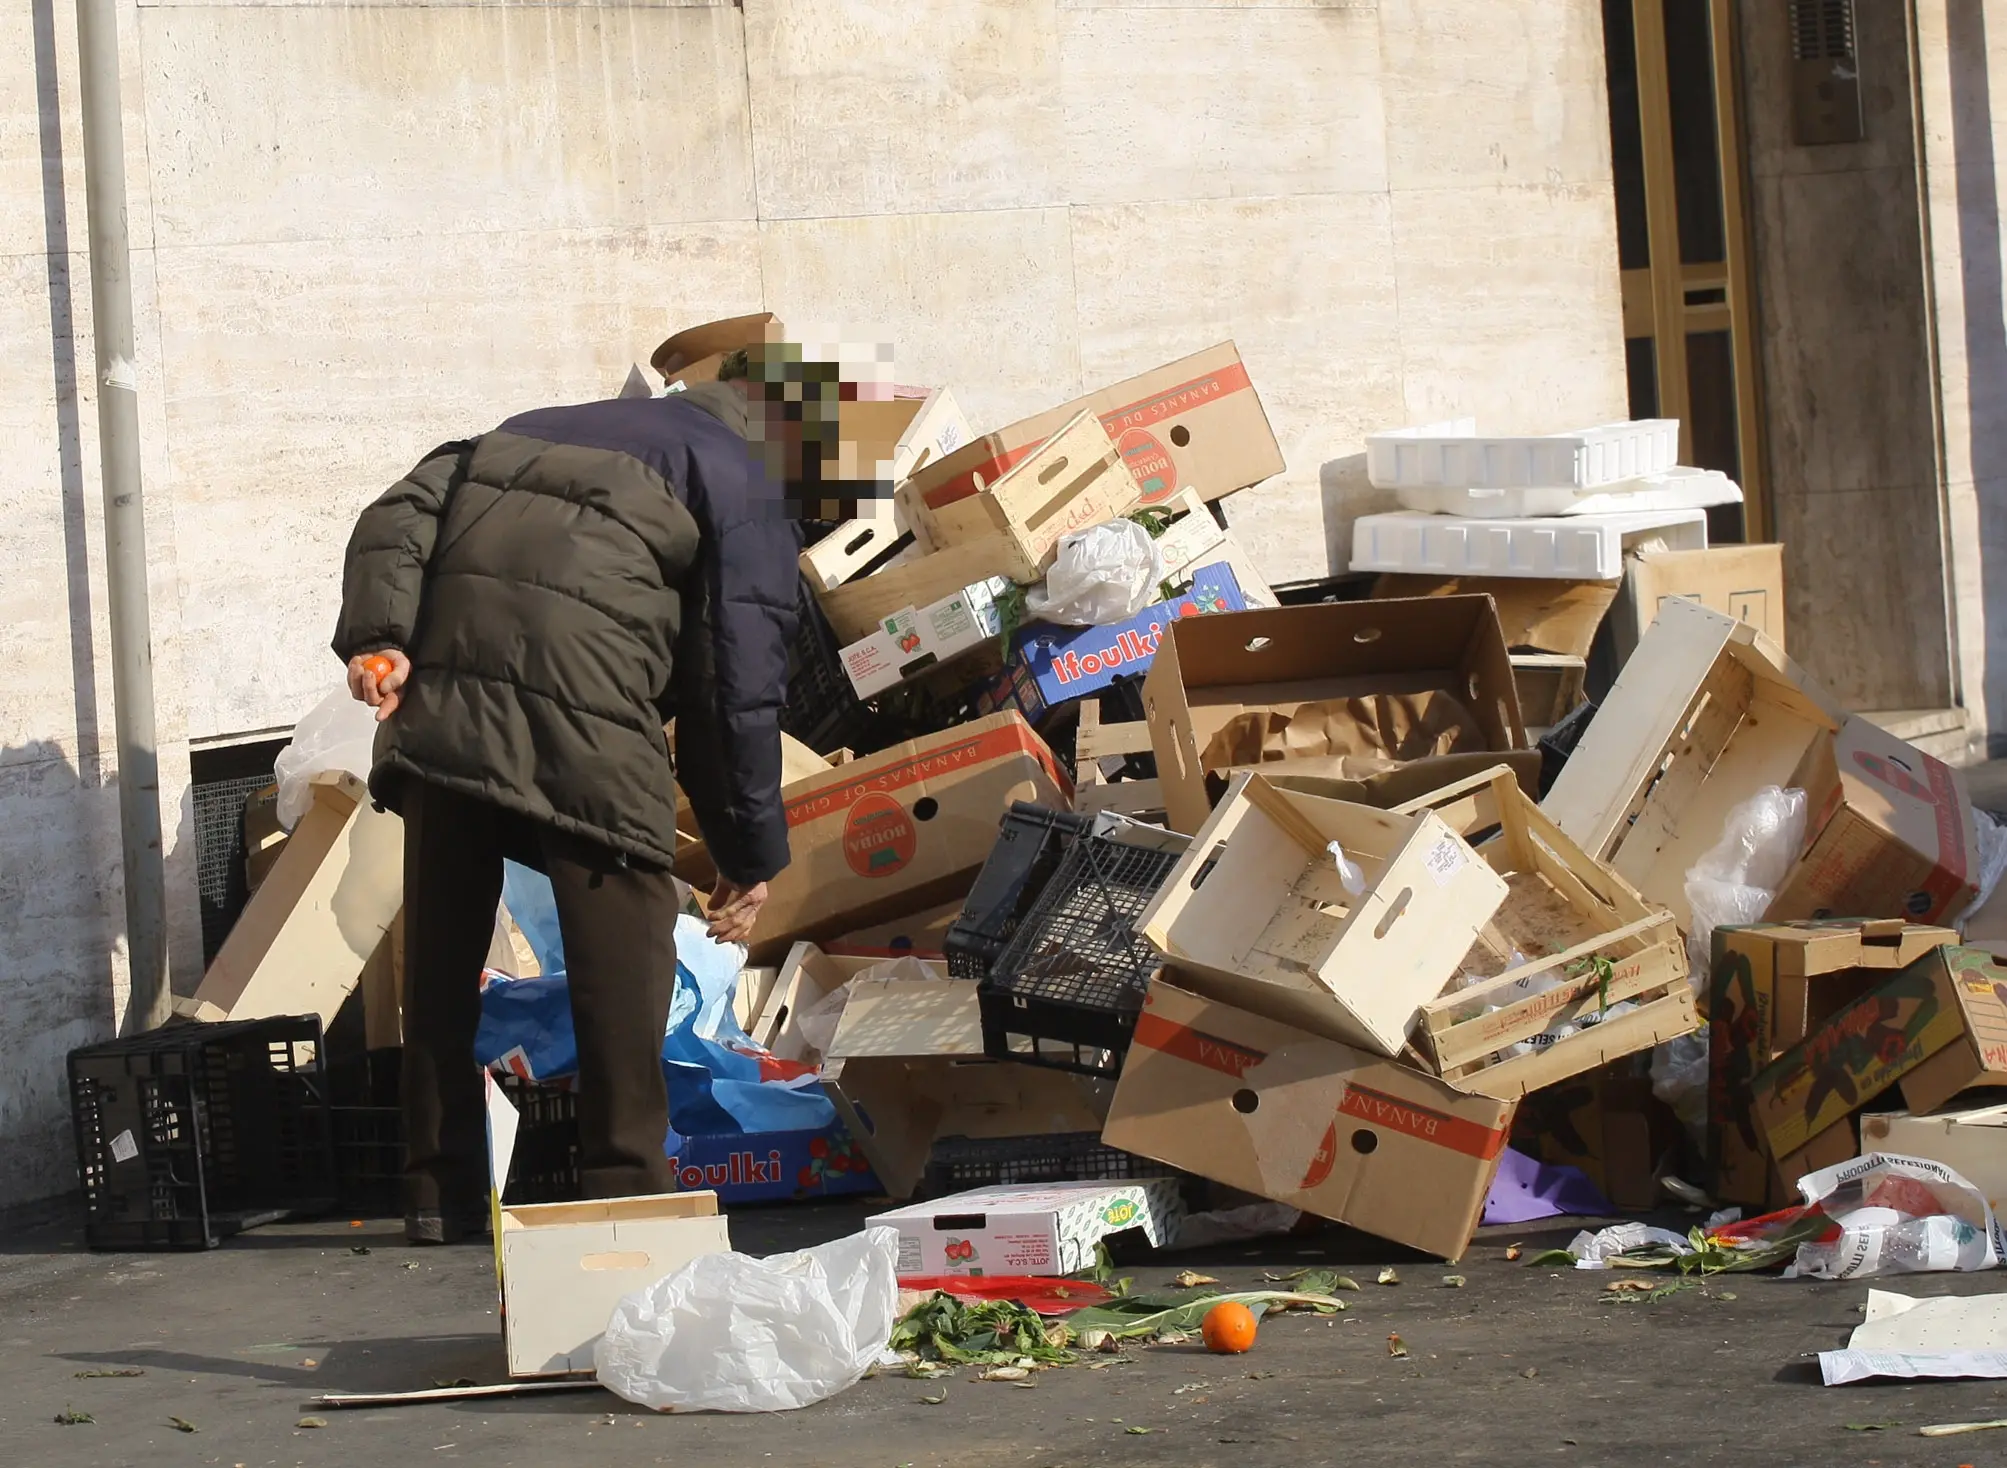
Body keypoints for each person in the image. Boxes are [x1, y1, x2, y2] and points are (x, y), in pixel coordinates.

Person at [332, 350, 848, 1243]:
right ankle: (625, 1186)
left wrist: (380, 637)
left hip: (442, 704)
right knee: (625, 941)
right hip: (589, 712)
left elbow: (405, 504)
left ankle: (435, 1186)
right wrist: (746, 852)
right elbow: (736, 685)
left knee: (444, 948)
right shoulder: (744, 481)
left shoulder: (538, 424)